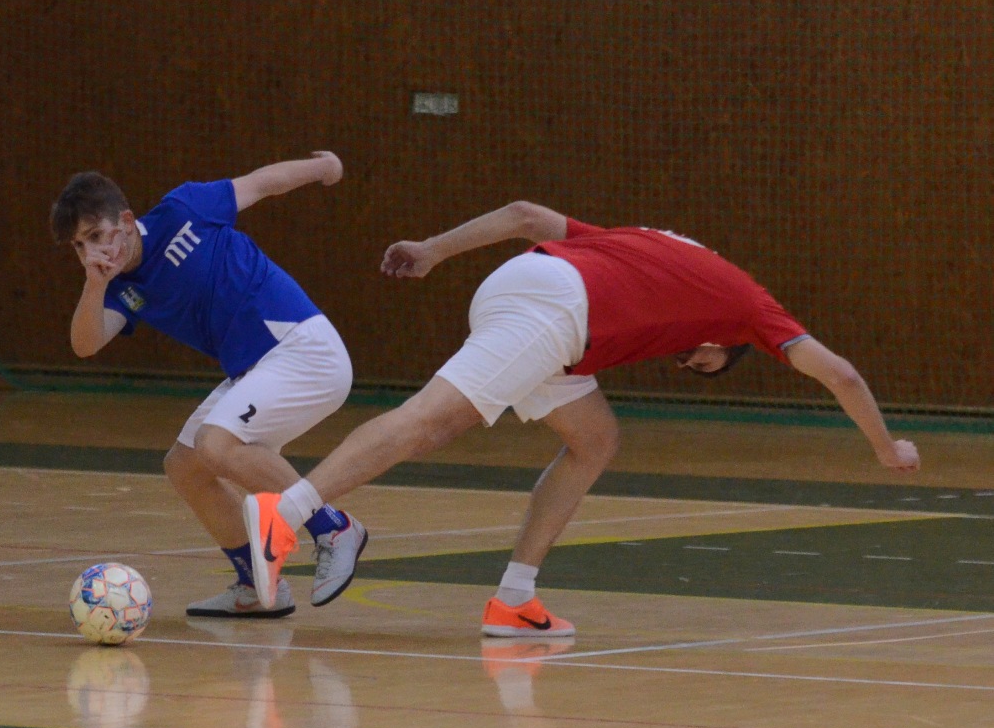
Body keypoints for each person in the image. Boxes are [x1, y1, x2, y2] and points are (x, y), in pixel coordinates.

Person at [242, 199, 920, 635]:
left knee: (594, 439)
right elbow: (841, 373)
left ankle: (515, 598)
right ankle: (289, 511)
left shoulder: (657, 247)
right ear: (724, 346)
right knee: (430, 421)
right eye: (701, 364)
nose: (687, 362)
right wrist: (886, 447)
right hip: (556, 312)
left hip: (534, 297)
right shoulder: (748, 310)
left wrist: (434, 248)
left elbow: (525, 215)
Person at [50, 152, 365, 618]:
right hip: (255, 370)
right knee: (186, 466)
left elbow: (261, 182)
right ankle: (257, 586)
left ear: (127, 222)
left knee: (215, 443)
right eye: (80, 246)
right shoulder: (120, 290)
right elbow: (86, 344)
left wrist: (324, 167)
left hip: (302, 348)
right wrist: (94, 285)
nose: (93, 251)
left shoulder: (185, 208)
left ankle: (333, 527)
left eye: (97, 236)